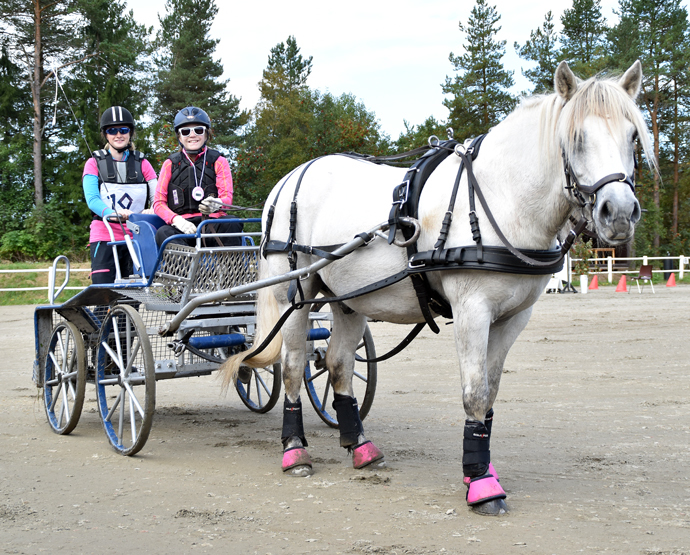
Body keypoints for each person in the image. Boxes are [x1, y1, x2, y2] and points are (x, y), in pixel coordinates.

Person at [82, 106, 158, 283]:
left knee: (134, 292)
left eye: (123, 130)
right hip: (105, 233)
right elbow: (92, 199)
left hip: (136, 234)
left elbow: (158, 197)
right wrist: (111, 214)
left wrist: (152, 209)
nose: (118, 135)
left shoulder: (143, 163)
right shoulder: (94, 163)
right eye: (112, 130)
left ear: (130, 133)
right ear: (105, 134)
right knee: (104, 289)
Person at [153, 106, 242, 247]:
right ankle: (185, 269)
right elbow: (158, 203)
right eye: (186, 131)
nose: (192, 135)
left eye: (198, 130)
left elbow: (227, 198)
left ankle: (231, 268)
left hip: (212, 225)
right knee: (163, 233)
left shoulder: (219, 161)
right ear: (179, 136)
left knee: (232, 223)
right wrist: (176, 220)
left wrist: (217, 203)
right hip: (182, 228)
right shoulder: (169, 164)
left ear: (206, 134)